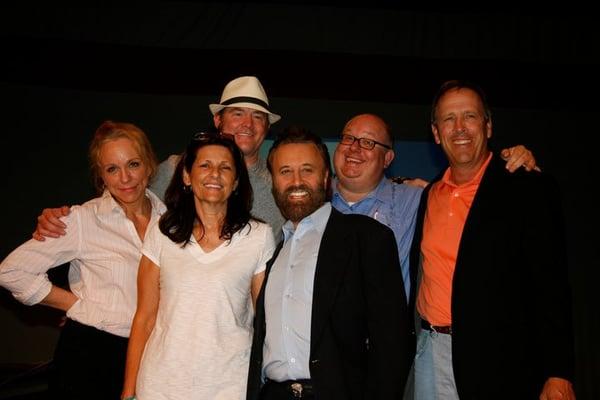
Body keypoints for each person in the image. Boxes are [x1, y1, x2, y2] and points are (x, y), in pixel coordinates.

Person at [410, 80, 575, 399]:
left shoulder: (527, 187)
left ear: (487, 126)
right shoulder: (430, 194)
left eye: (469, 116)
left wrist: (559, 372)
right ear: (435, 132)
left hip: (499, 361)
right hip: (429, 352)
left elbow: (552, 286)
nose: (459, 128)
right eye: (448, 119)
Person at [0, 121, 164, 399]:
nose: (125, 178)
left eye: (133, 164)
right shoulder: (82, 219)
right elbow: (11, 271)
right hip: (91, 352)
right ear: (101, 176)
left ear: (149, 165)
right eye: (112, 169)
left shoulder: (172, 225)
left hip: (153, 354)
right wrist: (77, 306)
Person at [246, 129, 412, 400]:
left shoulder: (366, 237)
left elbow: (392, 342)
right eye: (285, 171)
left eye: (307, 170)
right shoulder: (274, 252)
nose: (296, 181)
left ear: (326, 178)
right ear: (274, 182)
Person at [34, 75, 286, 241]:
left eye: (257, 117)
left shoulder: (278, 186)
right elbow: (125, 199)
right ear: (218, 120)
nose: (247, 124)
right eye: (238, 113)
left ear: (266, 126)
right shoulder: (178, 167)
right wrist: (66, 221)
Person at [121, 132, 275, 399]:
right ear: (186, 176)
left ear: (236, 181)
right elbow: (144, 318)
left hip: (230, 386)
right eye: (205, 165)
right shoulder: (162, 232)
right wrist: (128, 391)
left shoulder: (259, 236)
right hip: (160, 385)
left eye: (225, 167)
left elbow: (265, 324)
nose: (215, 173)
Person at [331, 113, 539, 300]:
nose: (354, 147)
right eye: (348, 138)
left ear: (387, 159)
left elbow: (479, 203)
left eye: (368, 142)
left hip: (384, 339)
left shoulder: (418, 199)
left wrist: (512, 161)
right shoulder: (311, 200)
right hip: (319, 338)